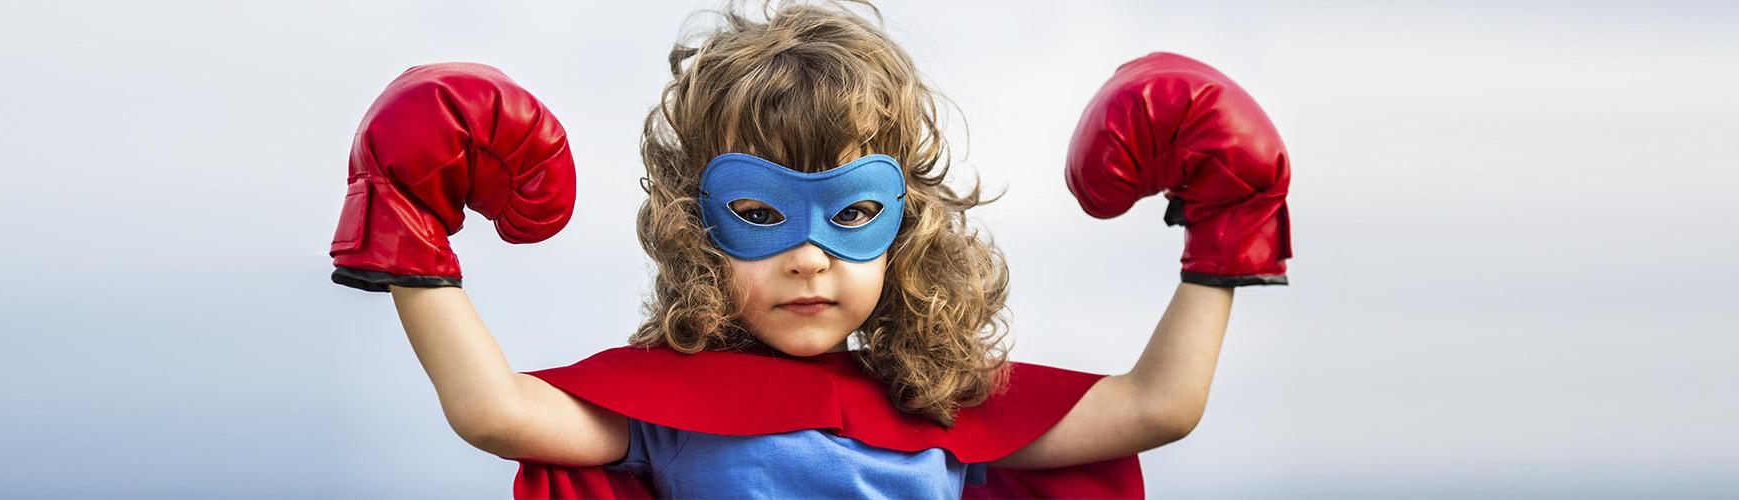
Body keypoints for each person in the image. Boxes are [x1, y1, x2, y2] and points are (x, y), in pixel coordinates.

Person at [326, 0, 1290, 498]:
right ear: (696, 231)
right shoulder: (673, 415)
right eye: (761, 212)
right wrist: (406, 227)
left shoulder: (947, 417)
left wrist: (1227, 229)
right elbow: (498, 414)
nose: (809, 258)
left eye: (851, 214)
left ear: (905, 230)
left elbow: (1156, 407)